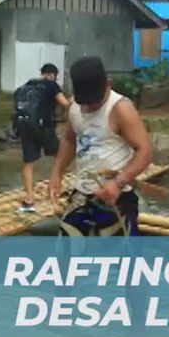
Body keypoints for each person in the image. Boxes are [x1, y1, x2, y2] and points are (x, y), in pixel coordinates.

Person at [48, 56, 153, 236]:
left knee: (117, 260)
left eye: (94, 101)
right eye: (86, 102)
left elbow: (145, 150)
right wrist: (57, 172)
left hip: (117, 198)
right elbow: (70, 140)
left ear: (108, 83)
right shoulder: (73, 105)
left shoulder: (121, 108)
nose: (89, 106)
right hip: (82, 193)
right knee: (66, 255)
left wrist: (118, 183)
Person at [14, 63, 70, 213]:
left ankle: (30, 198)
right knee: (60, 157)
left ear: (42, 73)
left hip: (26, 128)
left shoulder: (28, 85)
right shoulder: (52, 85)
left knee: (28, 163)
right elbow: (66, 104)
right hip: (45, 127)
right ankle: (56, 190)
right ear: (54, 75)